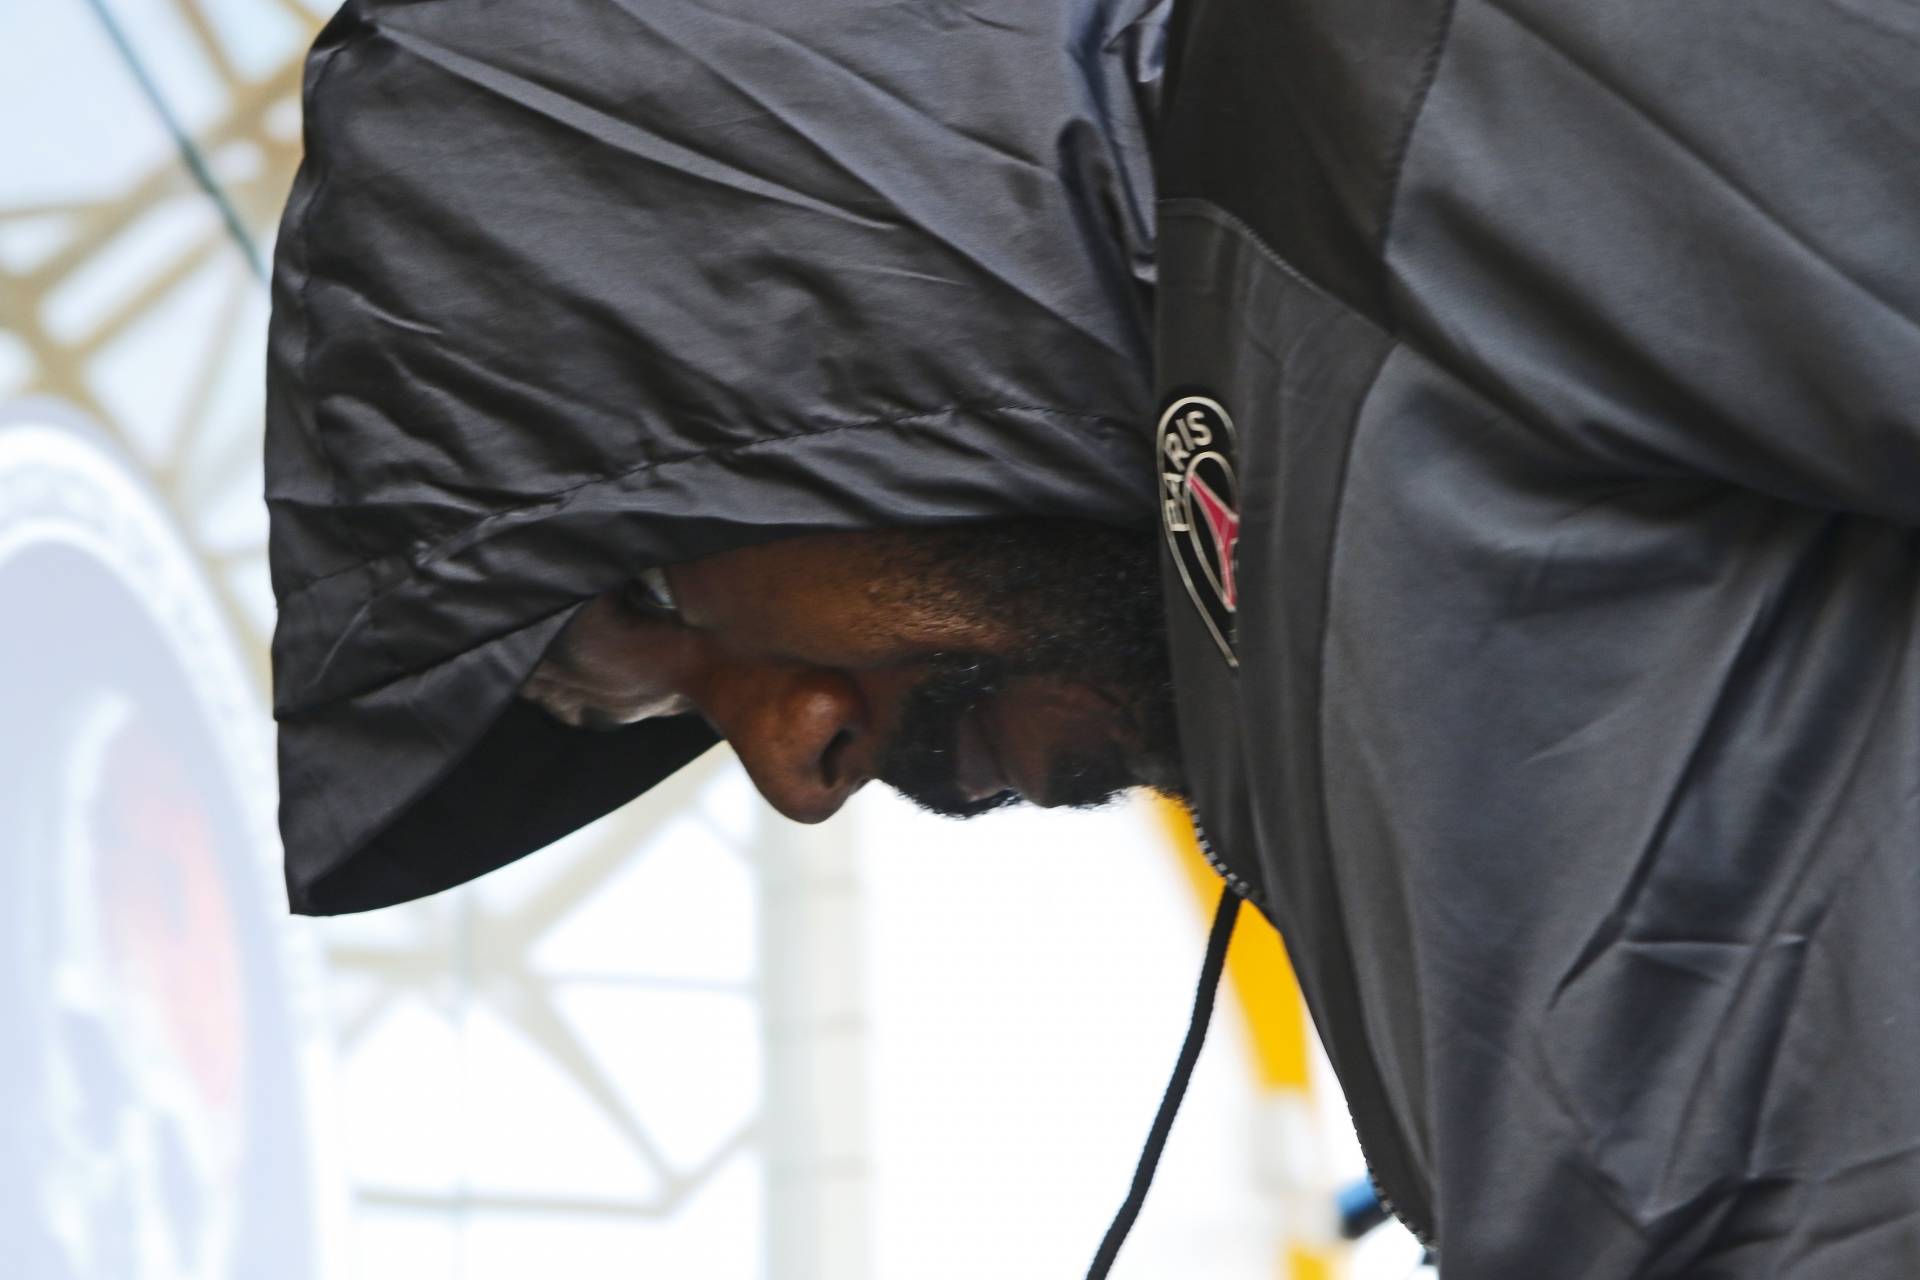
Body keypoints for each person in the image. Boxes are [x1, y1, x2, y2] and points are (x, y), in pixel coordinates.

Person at [267, 0, 1920, 1273]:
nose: (792, 762)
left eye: (657, 599)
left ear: (780, 293)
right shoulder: (1300, 660)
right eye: (680, 718)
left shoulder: (1392, 75)